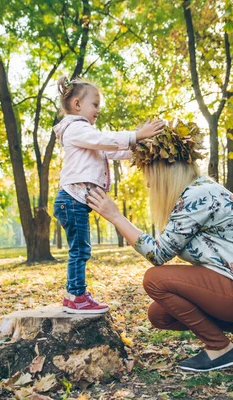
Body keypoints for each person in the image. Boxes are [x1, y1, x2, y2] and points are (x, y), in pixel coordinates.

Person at [86, 122, 233, 372]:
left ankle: (220, 349)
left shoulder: (197, 195)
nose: (148, 185)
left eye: (149, 175)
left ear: (162, 171)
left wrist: (116, 217)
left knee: (155, 279)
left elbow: (158, 254)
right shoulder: (197, 191)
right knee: (159, 315)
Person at [52, 75, 164, 314]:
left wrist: (140, 150)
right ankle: (76, 296)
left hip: (75, 201)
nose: (98, 110)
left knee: (80, 247)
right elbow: (106, 140)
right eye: (95, 104)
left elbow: (112, 151)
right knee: (80, 248)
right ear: (77, 105)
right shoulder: (75, 129)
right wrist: (137, 135)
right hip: (71, 200)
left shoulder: (87, 135)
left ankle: (76, 293)